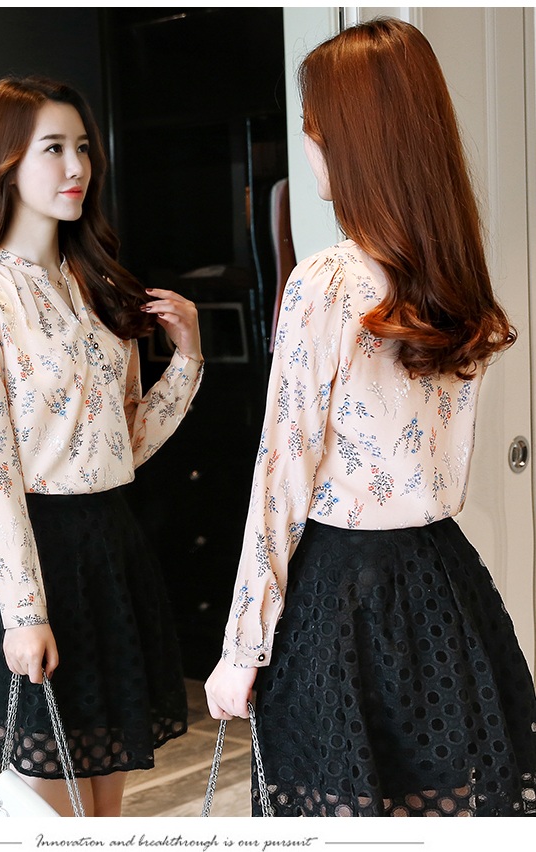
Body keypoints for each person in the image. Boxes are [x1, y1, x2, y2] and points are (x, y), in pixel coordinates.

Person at [205, 18, 536, 817]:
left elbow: (282, 473)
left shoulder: (325, 282)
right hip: (444, 587)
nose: (307, 145)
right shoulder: (454, 282)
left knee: (341, 813)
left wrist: (242, 647)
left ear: (351, 141)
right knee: (442, 809)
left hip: (341, 599)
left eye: (313, 126)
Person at [0, 76, 203, 817]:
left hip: (112, 549)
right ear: (6, 163)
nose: (77, 167)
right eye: (53, 149)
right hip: (36, 554)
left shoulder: (98, 286)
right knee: (50, 812)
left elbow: (125, 444)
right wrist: (23, 613)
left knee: (105, 809)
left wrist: (188, 359)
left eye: (83, 148)